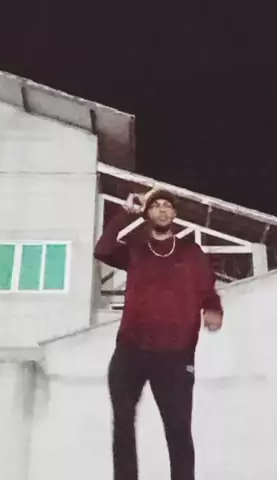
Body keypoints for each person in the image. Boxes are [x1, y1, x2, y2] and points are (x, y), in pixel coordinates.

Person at [94, 188, 224, 480]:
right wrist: (124, 213)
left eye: (167, 206)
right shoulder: (136, 250)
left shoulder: (191, 252)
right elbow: (102, 250)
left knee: (178, 429)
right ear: (147, 213)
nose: (162, 210)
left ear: (174, 214)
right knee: (123, 424)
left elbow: (207, 289)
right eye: (156, 206)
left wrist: (213, 308)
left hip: (175, 355)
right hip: (130, 351)